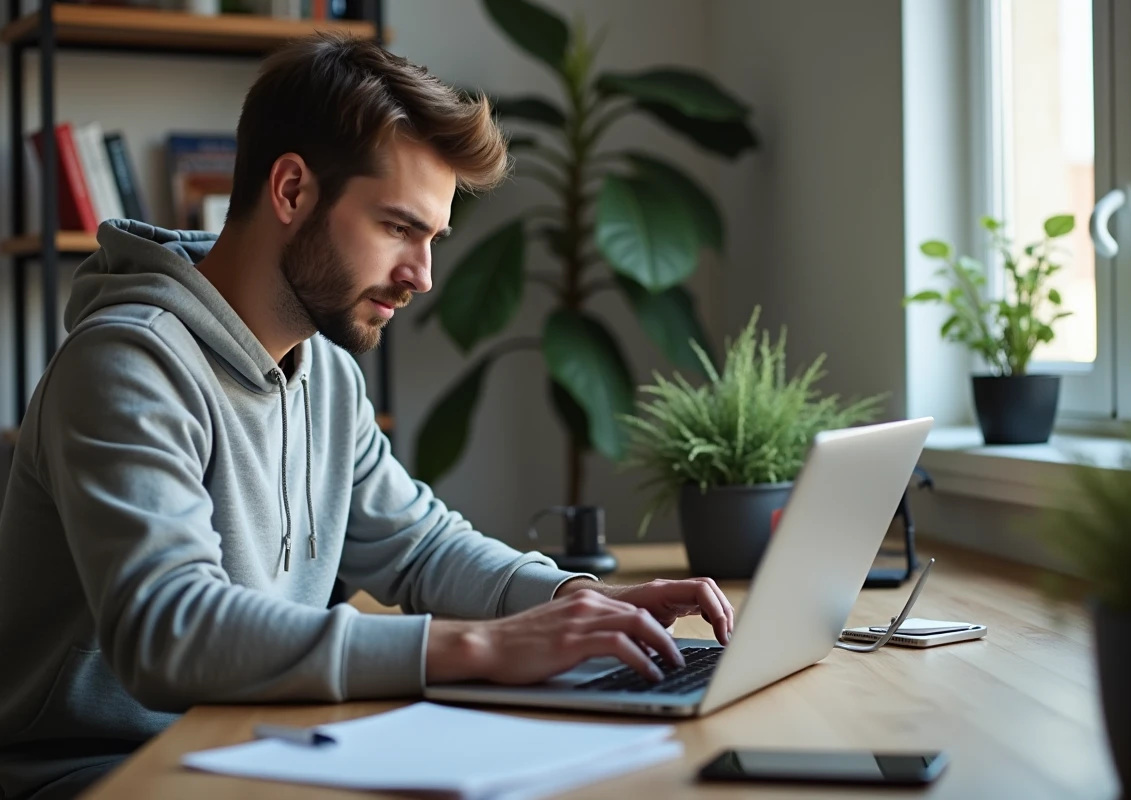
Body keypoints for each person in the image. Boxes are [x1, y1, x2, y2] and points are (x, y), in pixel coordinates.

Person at [0, 32, 734, 800]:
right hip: (100, 773)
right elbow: (168, 629)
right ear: (290, 191)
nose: (422, 276)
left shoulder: (329, 377)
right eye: (398, 228)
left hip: (258, 743)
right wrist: (483, 645)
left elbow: (420, 550)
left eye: (434, 237)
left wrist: (574, 601)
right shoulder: (127, 363)